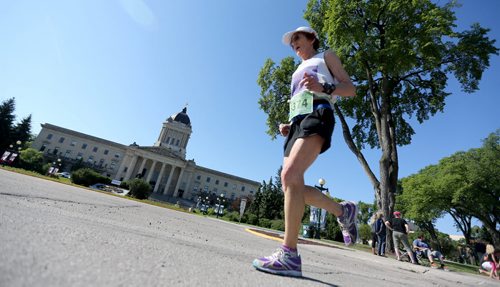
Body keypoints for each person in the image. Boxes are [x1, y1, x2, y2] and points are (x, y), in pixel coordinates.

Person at [252, 26, 357, 277]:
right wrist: (289, 122)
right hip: (297, 123)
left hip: (320, 113)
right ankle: (343, 211)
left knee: (290, 175)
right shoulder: (296, 71)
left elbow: (350, 89)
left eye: (297, 39)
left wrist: (326, 88)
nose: (294, 45)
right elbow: (300, 98)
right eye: (292, 43)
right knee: (290, 185)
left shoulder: (326, 57)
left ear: (311, 39)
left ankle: (289, 255)